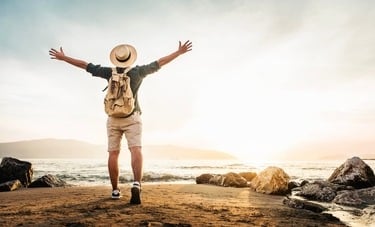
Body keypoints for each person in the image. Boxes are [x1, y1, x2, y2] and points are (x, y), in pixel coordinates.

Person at [49, 40, 192, 204]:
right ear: (130, 57)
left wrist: (64, 57)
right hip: (132, 117)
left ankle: (115, 190)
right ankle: (137, 183)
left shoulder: (109, 72)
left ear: (116, 59)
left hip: (113, 118)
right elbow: (160, 62)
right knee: (135, 150)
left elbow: (85, 65)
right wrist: (178, 53)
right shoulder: (138, 72)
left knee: (113, 154)